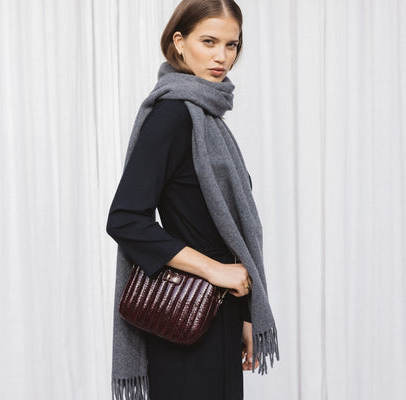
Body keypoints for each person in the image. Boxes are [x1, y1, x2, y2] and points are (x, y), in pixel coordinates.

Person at [106, 1, 278, 399]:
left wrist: (247, 313)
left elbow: (230, 232)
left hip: (220, 310)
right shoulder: (173, 115)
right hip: (186, 310)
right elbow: (125, 219)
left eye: (232, 45)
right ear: (179, 43)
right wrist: (216, 271)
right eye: (209, 41)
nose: (222, 57)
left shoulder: (208, 117)